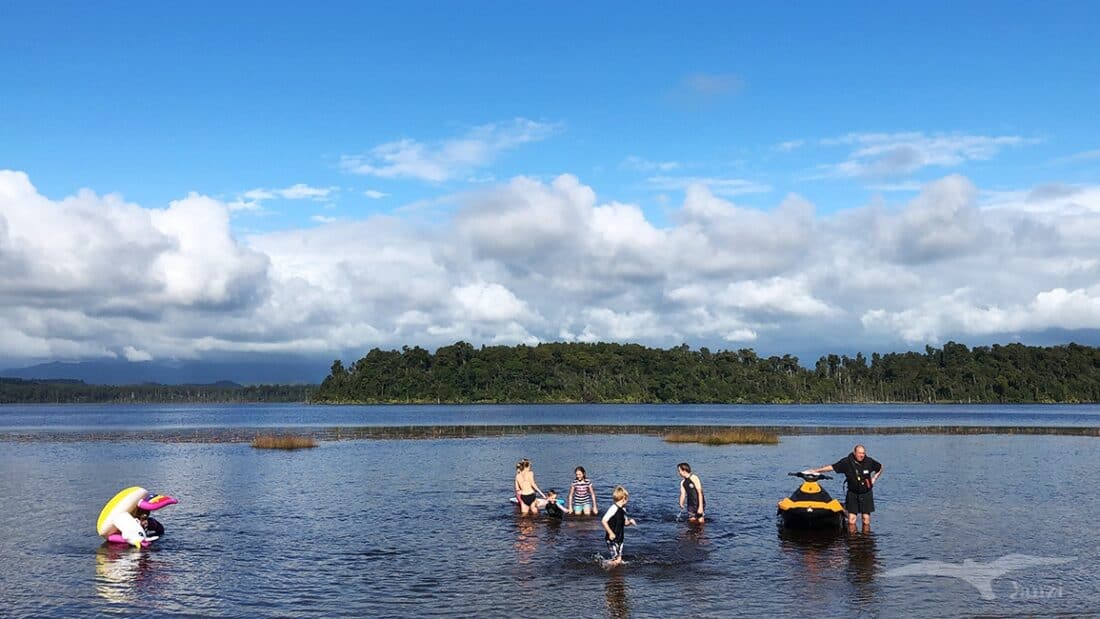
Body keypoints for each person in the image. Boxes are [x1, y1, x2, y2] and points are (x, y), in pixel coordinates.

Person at [808, 444, 883, 529]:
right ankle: (852, 540)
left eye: (863, 453)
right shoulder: (846, 462)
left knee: (866, 519)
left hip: (866, 493)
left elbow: (880, 467)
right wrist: (816, 470)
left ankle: (866, 540)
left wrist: (874, 478)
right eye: (859, 453)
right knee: (852, 520)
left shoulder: (869, 461)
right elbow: (832, 467)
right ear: (854, 453)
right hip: (852, 493)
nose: (862, 455)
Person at [601, 486, 636, 566]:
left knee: (619, 560)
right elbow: (604, 520)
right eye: (627, 498)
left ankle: (615, 574)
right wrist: (610, 533)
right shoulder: (613, 508)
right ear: (624, 498)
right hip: (611, 538)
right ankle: (604, 565)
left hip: (620, 537)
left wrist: (630, 522)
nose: (628, 500)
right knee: (617, 561)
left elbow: (625, 523)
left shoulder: (623, 509)